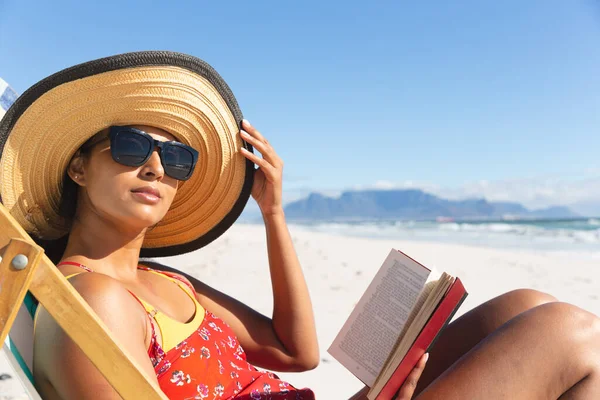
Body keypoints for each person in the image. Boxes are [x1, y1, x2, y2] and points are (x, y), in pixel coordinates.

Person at [0, 51, 597, 400]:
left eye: (177, 158)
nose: (156, 164)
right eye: (131, 146)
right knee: (573, 335)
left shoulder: (167, 281)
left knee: (526, 302)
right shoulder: (92, 299)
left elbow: (297, 352)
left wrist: (274, 213)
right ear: (78, 166)